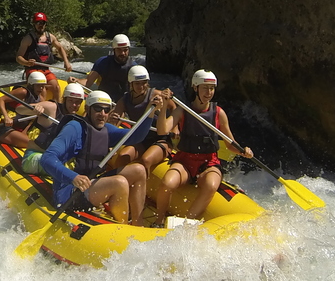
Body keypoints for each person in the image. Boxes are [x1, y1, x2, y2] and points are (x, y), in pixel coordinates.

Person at [40, 90, 164, 226]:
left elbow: (136, 136)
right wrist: (73, 177)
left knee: (139, 170)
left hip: (91, 184)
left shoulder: (106, 130)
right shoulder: (74, 128)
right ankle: (122, 230)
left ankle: (137, 224)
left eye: (106, 110)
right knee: (119, 182)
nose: (103, 114)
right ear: (87, 109)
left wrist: (150, 112)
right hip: (69, 192)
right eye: (98, 109)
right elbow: (47, 158)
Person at [153, 70, 253, 227]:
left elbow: (230, 144)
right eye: (205, 88)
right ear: (195, 88)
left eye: (212, 88)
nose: (209, 92)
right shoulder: (183, 111)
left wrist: (243, 151)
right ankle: (159, 220)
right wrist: (164, 106)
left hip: (209, 162)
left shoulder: (219, 114)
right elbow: (162, 130)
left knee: (211, 185)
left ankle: (186, 224)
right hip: (185, 160)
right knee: (167, 183)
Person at [110, 65, 176, 175]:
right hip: (140, 139)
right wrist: (112, 120)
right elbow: (114, 121)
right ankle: (118, 184)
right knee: (122, 157)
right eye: (137, 83)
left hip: (160, 139)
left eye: (144, 83)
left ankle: (141, 189)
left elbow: (173, 107)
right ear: (131, 84)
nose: (141, 86)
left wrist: (174, 126)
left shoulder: (155, 95)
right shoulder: (125, 100)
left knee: (146, 160)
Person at [22, 82, 86, 175]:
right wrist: (35, 109)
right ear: (65, 99)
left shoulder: (76, 121)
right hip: (33, 157)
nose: (74, 105)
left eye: (77, 102)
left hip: (54, 160)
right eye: (71, 101)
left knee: (74, 167)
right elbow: (19, 109)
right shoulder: (52, 107)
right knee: (61, 167)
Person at [15, 12, 73, 100]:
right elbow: (18, 57)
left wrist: (66, 62)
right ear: (34, 24)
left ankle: (58, 110)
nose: (41, 25)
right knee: (42, 89)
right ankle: (41, 109)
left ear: (45, 24)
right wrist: (26, 62)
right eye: (38, 23)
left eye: (43, 23)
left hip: (45, 70)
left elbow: (60, 48)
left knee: (56, 87)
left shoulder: (50, 37)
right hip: (33, 70)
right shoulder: (28, 39)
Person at [0, 72, 56, 148]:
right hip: (6, 128)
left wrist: (25, 132)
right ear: (31, 84)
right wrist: (6, 117)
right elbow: (0, 100)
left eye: (43, 86)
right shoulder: (22, 92)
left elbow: (32, 119)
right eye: (38, 85)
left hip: (20, 129)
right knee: (38, 146)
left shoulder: (40, 99)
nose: (41, 88)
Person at [69, 34, 134, 102]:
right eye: (119, 50)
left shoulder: (133, 67)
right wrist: (76, 81)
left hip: (123, 104)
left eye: (125, 50)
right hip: (103, 101)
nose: (123, 53)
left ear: (129, 50)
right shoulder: (102, 62)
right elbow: (88, 82)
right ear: (114, 50)